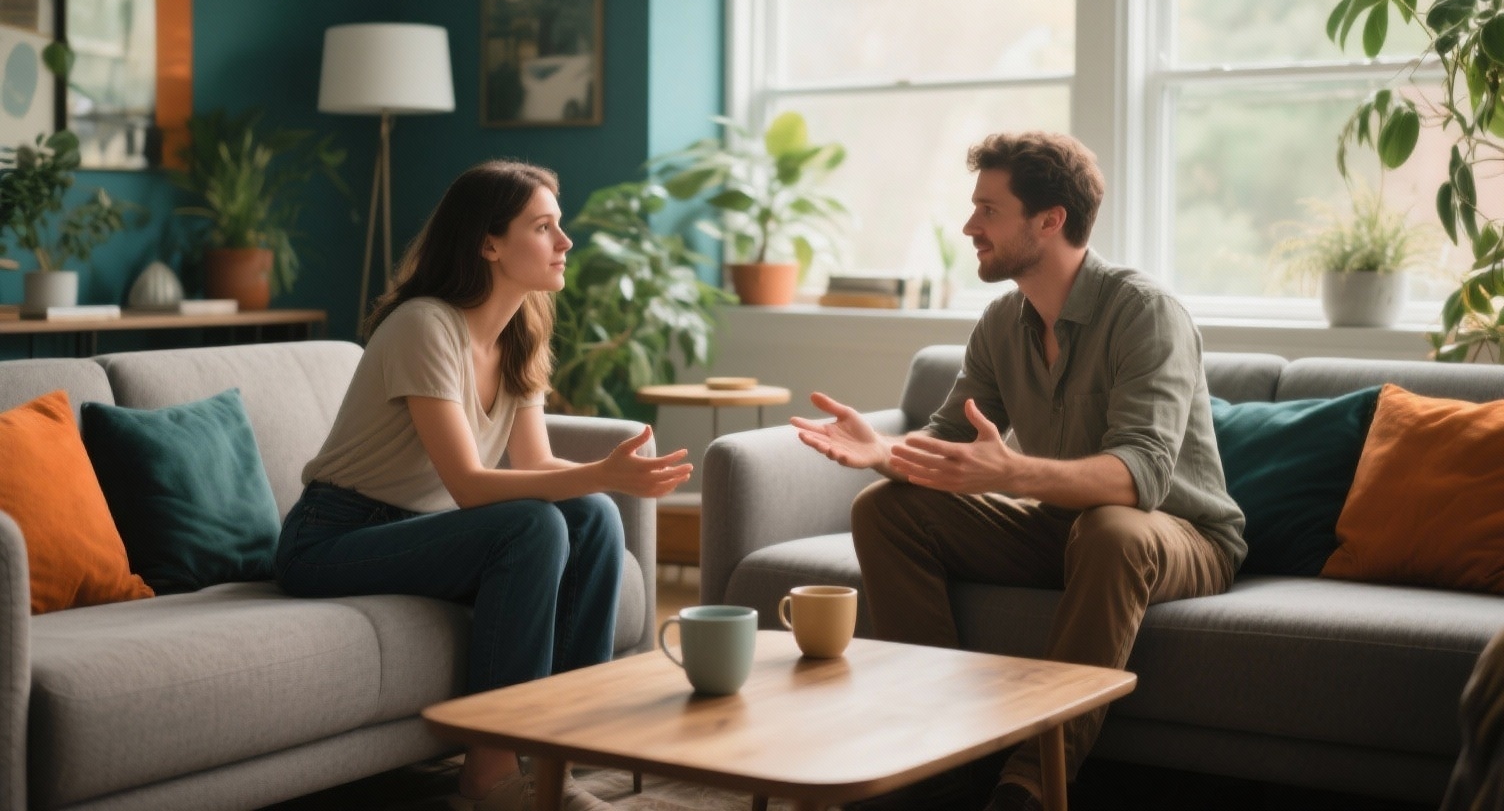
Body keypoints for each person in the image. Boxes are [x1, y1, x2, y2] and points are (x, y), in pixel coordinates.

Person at [792, 131, 1245, 811]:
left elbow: (1140, 478)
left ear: (1050, 219)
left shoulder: (1145, 313)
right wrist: (886, 453)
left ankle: (1030, 784)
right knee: (885, 508)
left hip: (1181, 534)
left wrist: (1009, 475)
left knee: (1112, 530)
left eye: (988, 209)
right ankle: (931, 762)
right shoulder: (1003, 322)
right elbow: (947, 443)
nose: (970, 225)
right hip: (1064, 529)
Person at [275, 160, 693, 811]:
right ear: (489, 243)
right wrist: (601, 471)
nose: (565, 242)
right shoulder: (425, 325)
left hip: (415, 530)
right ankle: (490, 769)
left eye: (560, 226)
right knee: (535, 524)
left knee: (592, 515)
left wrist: (613, 480)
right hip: (333, 536)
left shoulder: (520, 335)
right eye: (544, 227)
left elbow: (533, 464)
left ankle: (555, 758)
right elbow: (471, 486)